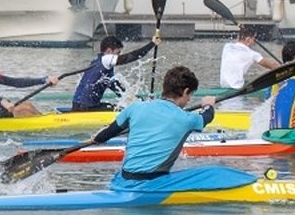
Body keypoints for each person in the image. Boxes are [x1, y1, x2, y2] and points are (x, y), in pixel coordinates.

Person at [88, 65, 217, 183]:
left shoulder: (135, 107)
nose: (189, 99)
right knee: (213, 174)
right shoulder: (187, 118)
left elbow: (108, 133)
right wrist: (208, 104)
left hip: (125, 178)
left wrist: (97, 138)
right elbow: (207, 117)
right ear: (185, 91)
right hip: (153, 181)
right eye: (190, 95)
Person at [70, 35, 161, 112]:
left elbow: (119, 89)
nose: (119, 56)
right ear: (109, 51)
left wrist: (140, 101)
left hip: (76, 107)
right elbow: (130, 57)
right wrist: (152, 44)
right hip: (87, 109)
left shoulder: (96, 62)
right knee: (123, 111)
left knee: (121, 107)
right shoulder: (106, 59)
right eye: (118, 53)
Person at [219, 25, 278, 89]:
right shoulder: (252, 54)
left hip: (224, 85)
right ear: (248, 40)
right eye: (253, 39)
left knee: (246, 82)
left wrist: (243, 33)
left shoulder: (227, 47)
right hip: (237, 88)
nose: (254, 43)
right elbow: (272, 65)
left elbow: (238, 43)